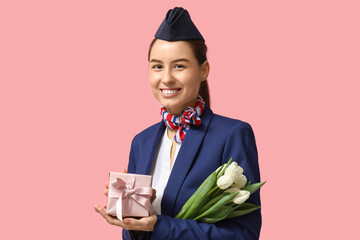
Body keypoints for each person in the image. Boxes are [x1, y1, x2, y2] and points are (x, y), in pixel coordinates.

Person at [94, 7, 262, 239]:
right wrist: (128, 214)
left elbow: (245, 234)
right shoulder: (141, 142)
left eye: (179, 65)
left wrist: (159, 226)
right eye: (157, 66)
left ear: (203, 70)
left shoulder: (232, 134)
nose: (166, 78)